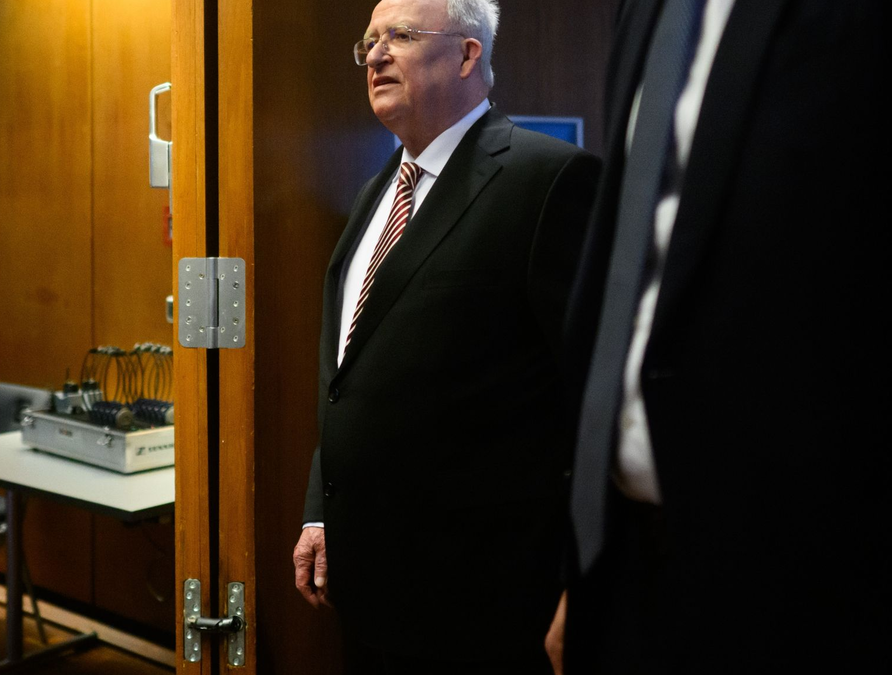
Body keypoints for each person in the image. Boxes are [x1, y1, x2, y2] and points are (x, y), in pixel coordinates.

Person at [555, 1, 891, 673]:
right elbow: (630, 268)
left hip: (802, 587)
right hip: (622, 570)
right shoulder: (645, 11)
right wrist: (582, 569)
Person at [292, 0, 600, 672]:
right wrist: (321, 513)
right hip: (367, 595)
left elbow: (592, 399)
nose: (374, 55)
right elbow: (350, 378)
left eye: (399, 36)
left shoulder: (547, 180)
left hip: (486, 608)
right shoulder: (377, 191)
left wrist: (588, 581)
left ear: (468, 55)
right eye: (369, 41)